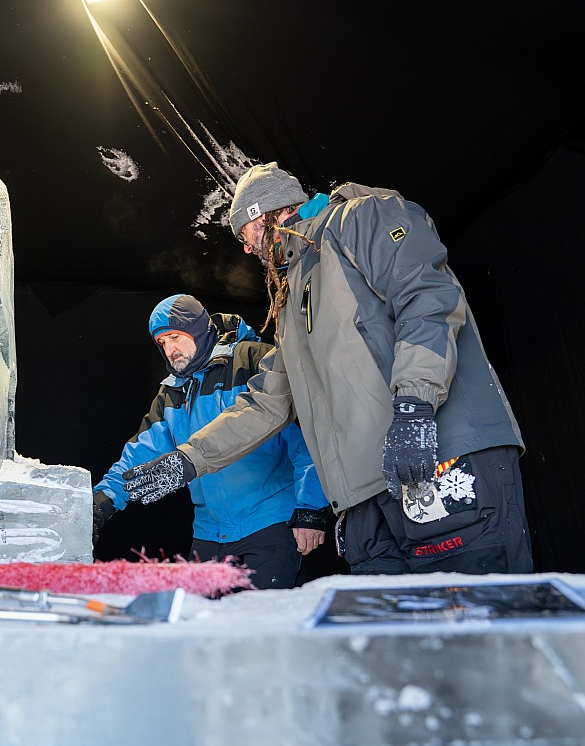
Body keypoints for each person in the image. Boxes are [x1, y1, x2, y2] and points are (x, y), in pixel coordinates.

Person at [121, 163, 533, 575]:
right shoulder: (290, 301)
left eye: (243, 234)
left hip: (440, 457)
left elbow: (427, 297)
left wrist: (413, 406)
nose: (246, 249)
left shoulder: (358, 218)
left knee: (479, 623)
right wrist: (188, 460)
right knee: (389, 635)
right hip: (368, 498)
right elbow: (266, 402)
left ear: (264, 213)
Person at [92, 293, 329, 589]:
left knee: (257, 626)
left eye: (175, 337)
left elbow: (306, 440)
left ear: (197, 328)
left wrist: (310, 508)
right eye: (162, 342)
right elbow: (139, 456)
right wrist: (103, 501)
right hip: (209, 532)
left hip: (269, 524)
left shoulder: (256, 360)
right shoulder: (171, 394)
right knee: (201, 626)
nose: (169, 349)